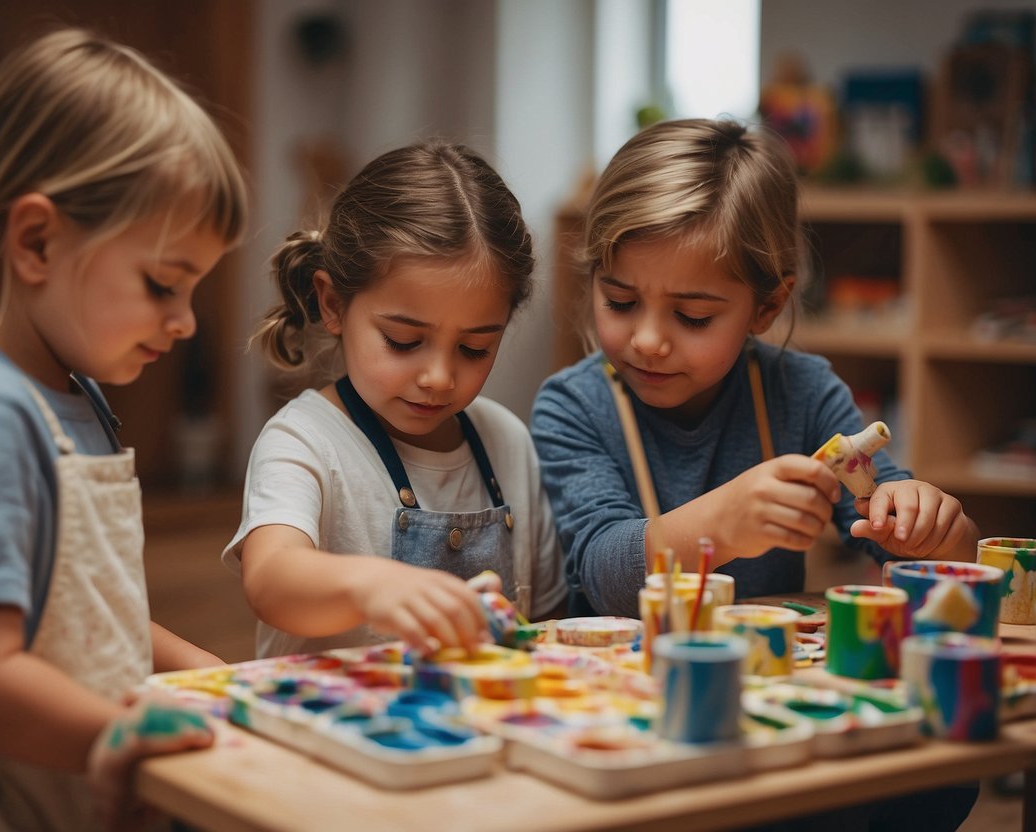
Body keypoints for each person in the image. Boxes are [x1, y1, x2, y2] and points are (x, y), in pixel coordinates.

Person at [0, 29, 247, 832]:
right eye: (163, 284)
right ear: (36, 241)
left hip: (63, 780)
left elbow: (86, 612)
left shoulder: (75, 393)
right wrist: (123, 731)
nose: (186, 321)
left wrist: (217, 680)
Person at [531, 118, 979, 830]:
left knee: (943, 781)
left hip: (766, 710)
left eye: (692, 314)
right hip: (635, 723)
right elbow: (602, 572)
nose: (646, 337)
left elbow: (895, 535)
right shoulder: (573, 405)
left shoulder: (802, 393)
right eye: (619, 301)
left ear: (766, 307)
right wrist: (723, 521)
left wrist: (930, 527)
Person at [226, 141, 566, 659]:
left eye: (475, 348)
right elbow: (271, 580)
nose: (438, 377)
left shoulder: (507, 441)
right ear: (333, 303)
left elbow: (543, 626)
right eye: (404, 342)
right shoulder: (304, 442)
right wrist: (370, 587)